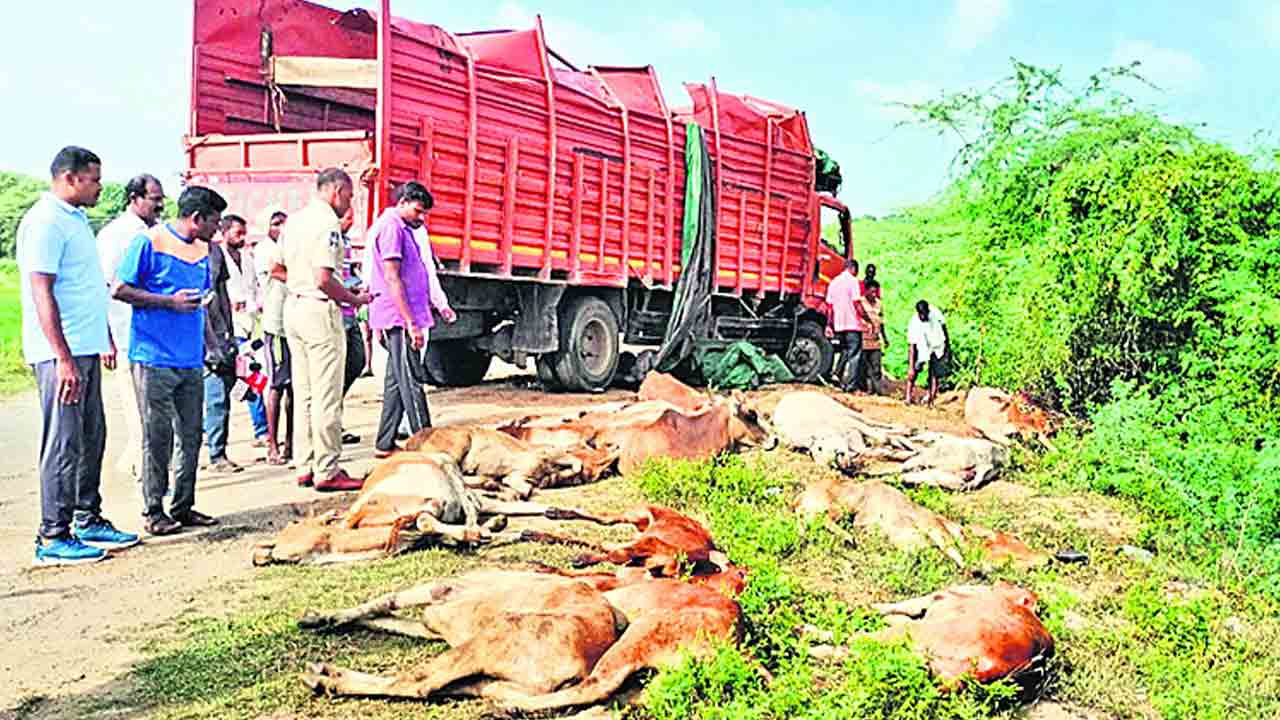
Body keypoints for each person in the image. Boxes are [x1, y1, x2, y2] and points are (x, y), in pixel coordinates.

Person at [19, 146, 140, 565]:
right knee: (64, 442)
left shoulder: (75, 220)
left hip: (85, 347)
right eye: (94, 179)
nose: (100, 187)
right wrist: (63, 357)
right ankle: (53, 535)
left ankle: (87, 518)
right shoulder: (45, 222)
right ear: (69, 178)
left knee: (92, 437)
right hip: (60, 354)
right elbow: (41, 290)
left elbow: (85, 288)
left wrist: (103, 336)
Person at [113, 186, 227, 535]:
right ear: (196, 218)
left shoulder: (204, 250)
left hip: (191, 359)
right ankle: (153, 510)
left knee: (192, 436)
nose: (217, 228)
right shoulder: (149, 242)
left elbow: (203, 304)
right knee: (156, 437)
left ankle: (183, 505)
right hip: (153, 357)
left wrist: (212, 346)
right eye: (215, 221)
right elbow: (119, 289)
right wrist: (168, 301)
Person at [280, 168, 370, 491]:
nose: (349, 204)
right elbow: (324, 278)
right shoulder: (327, 224)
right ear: (336, 191)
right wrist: (353, 298)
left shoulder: (294, 221)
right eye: (348, 196)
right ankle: (327, 469)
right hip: (319, 310)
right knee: (326, 394)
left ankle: (304, 464)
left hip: (294, 305)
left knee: (303, 392)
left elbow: (277, 267)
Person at [367, 181, 456, 458]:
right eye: (418, 211)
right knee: (412, 380)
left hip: (402, 315)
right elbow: (392, 277)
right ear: (402, 202)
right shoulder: (392, 227)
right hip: (399, 317)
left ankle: (384, 442)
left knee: (396, 381)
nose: (422, 218)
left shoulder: (402, 227)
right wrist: (411, 323)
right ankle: (427, 445)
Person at [96, 173, 165, 481]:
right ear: (134, 199)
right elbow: (103, 287)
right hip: (127, 335)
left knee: (156, 413)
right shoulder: (116, 236)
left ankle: (139, 465)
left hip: (157, 338)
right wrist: (105, 339)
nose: (160, 205)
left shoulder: (158, 232)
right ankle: (144, 478)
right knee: (140, 413)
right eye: (155, 199)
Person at [201, 215, 249, 473]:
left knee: (219, 396)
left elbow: (221, 293)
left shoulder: (215, 253)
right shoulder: (183, 252)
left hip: (219, 335)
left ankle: (217, 453)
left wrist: (228, 332)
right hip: (191, 338)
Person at [219, 212, 269, 445]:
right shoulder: (217, 256)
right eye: (238, 232)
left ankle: (261, 429)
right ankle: (213, 434)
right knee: (230, 382)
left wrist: (259, 302)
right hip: (230, 327)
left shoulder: (247, 257)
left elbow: (256, 287)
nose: (242, 237)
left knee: (254, 376)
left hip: (250, 324)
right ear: (224, 231)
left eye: (243, 233)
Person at [258, 209, 293, 465]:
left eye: (284, 222)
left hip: (292, 324)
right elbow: (276, 271)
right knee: (276, 386)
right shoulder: (266, 249)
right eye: (276, 223)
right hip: (276, 325)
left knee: (293, 387)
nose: (282, 227)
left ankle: (290, 443)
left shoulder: (287, 248)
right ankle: (272, 444)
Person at [338, 207, 365, 444]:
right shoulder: (330, 240)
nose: (351, 224)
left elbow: (346, 275)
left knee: (357, 362)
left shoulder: (344, 241)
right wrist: (351, 291)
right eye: (348, 219)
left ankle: (336, 416)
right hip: (336, 313)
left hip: (350, 311)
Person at [824, 259, 865, 392]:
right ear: (854, 269)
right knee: (854, 354)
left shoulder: (833, 283)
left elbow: (829, 307)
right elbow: (856, 303)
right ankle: (850, 385)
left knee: (844, 351)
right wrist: (866, 319)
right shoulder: (853, 282)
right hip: (852, 324)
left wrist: (829, 325)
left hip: (838, 324)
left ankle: (836, 375)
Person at [906, 299, 950, 407]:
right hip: (921, 346)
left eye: (925, 314)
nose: (923, 317)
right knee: (914, 371)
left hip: (936, 345)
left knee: (934, 373)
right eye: (921, 315)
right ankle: (908, 397)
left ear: (928, 312)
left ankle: (931, 398)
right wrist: (911, 367)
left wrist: (947, 346)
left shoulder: (936, 314)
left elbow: (944, 328)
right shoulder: (914, 323)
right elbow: (912, 346)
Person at [860, 279, 889, 396]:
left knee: (876, 367)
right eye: (871, 292)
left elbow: (882, 322)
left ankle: (877, 391)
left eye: (875, 292)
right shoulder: (860, 302)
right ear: (866, 291)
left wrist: (885, 338)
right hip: (863, 339)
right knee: (864, 367)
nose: (873, 295)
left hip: (875, 341)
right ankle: (866, 389)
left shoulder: (879, 304)